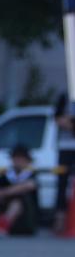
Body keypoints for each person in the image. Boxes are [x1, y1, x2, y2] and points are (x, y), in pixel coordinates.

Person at [53, 92, 75, 233]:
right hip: (65, 147)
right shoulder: (64, 97)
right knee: (62, 183)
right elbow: (58, 120)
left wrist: (69, 121)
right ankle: (60, 220)